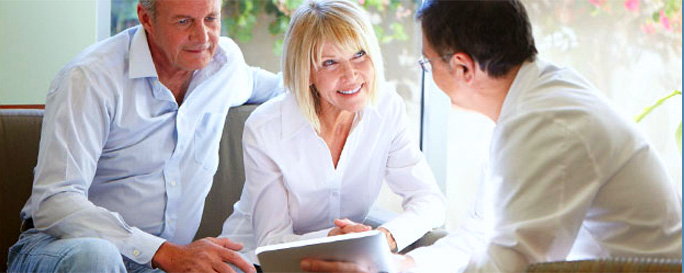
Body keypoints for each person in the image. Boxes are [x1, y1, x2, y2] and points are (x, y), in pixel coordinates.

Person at [301, 0, 683, 272]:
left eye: (427, 62)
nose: (428, 74)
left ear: (463, 66)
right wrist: (401, 265)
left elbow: (509, 264)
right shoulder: (533, 103)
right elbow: (479, 233)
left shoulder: (546, 124)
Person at [7, 0, 282, 272]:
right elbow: (55, 201)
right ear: (146, 19)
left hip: (165, 263)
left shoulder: (223, 66)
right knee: (97, 256)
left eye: (211, 18)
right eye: (184, 21)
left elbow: (287, 86)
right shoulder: (90, 79)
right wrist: (162, 252)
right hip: (66, 251)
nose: (202, 37)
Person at [220, 0, 446, 265]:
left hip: (343, 260)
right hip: (252, 262)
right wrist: (334, 238)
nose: (351, 75)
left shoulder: (387, 109)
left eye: (359, 54)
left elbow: (430, 201)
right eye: (330, 62)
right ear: (306, 72)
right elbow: (271, 242)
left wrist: (385, 238)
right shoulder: (266, 129)